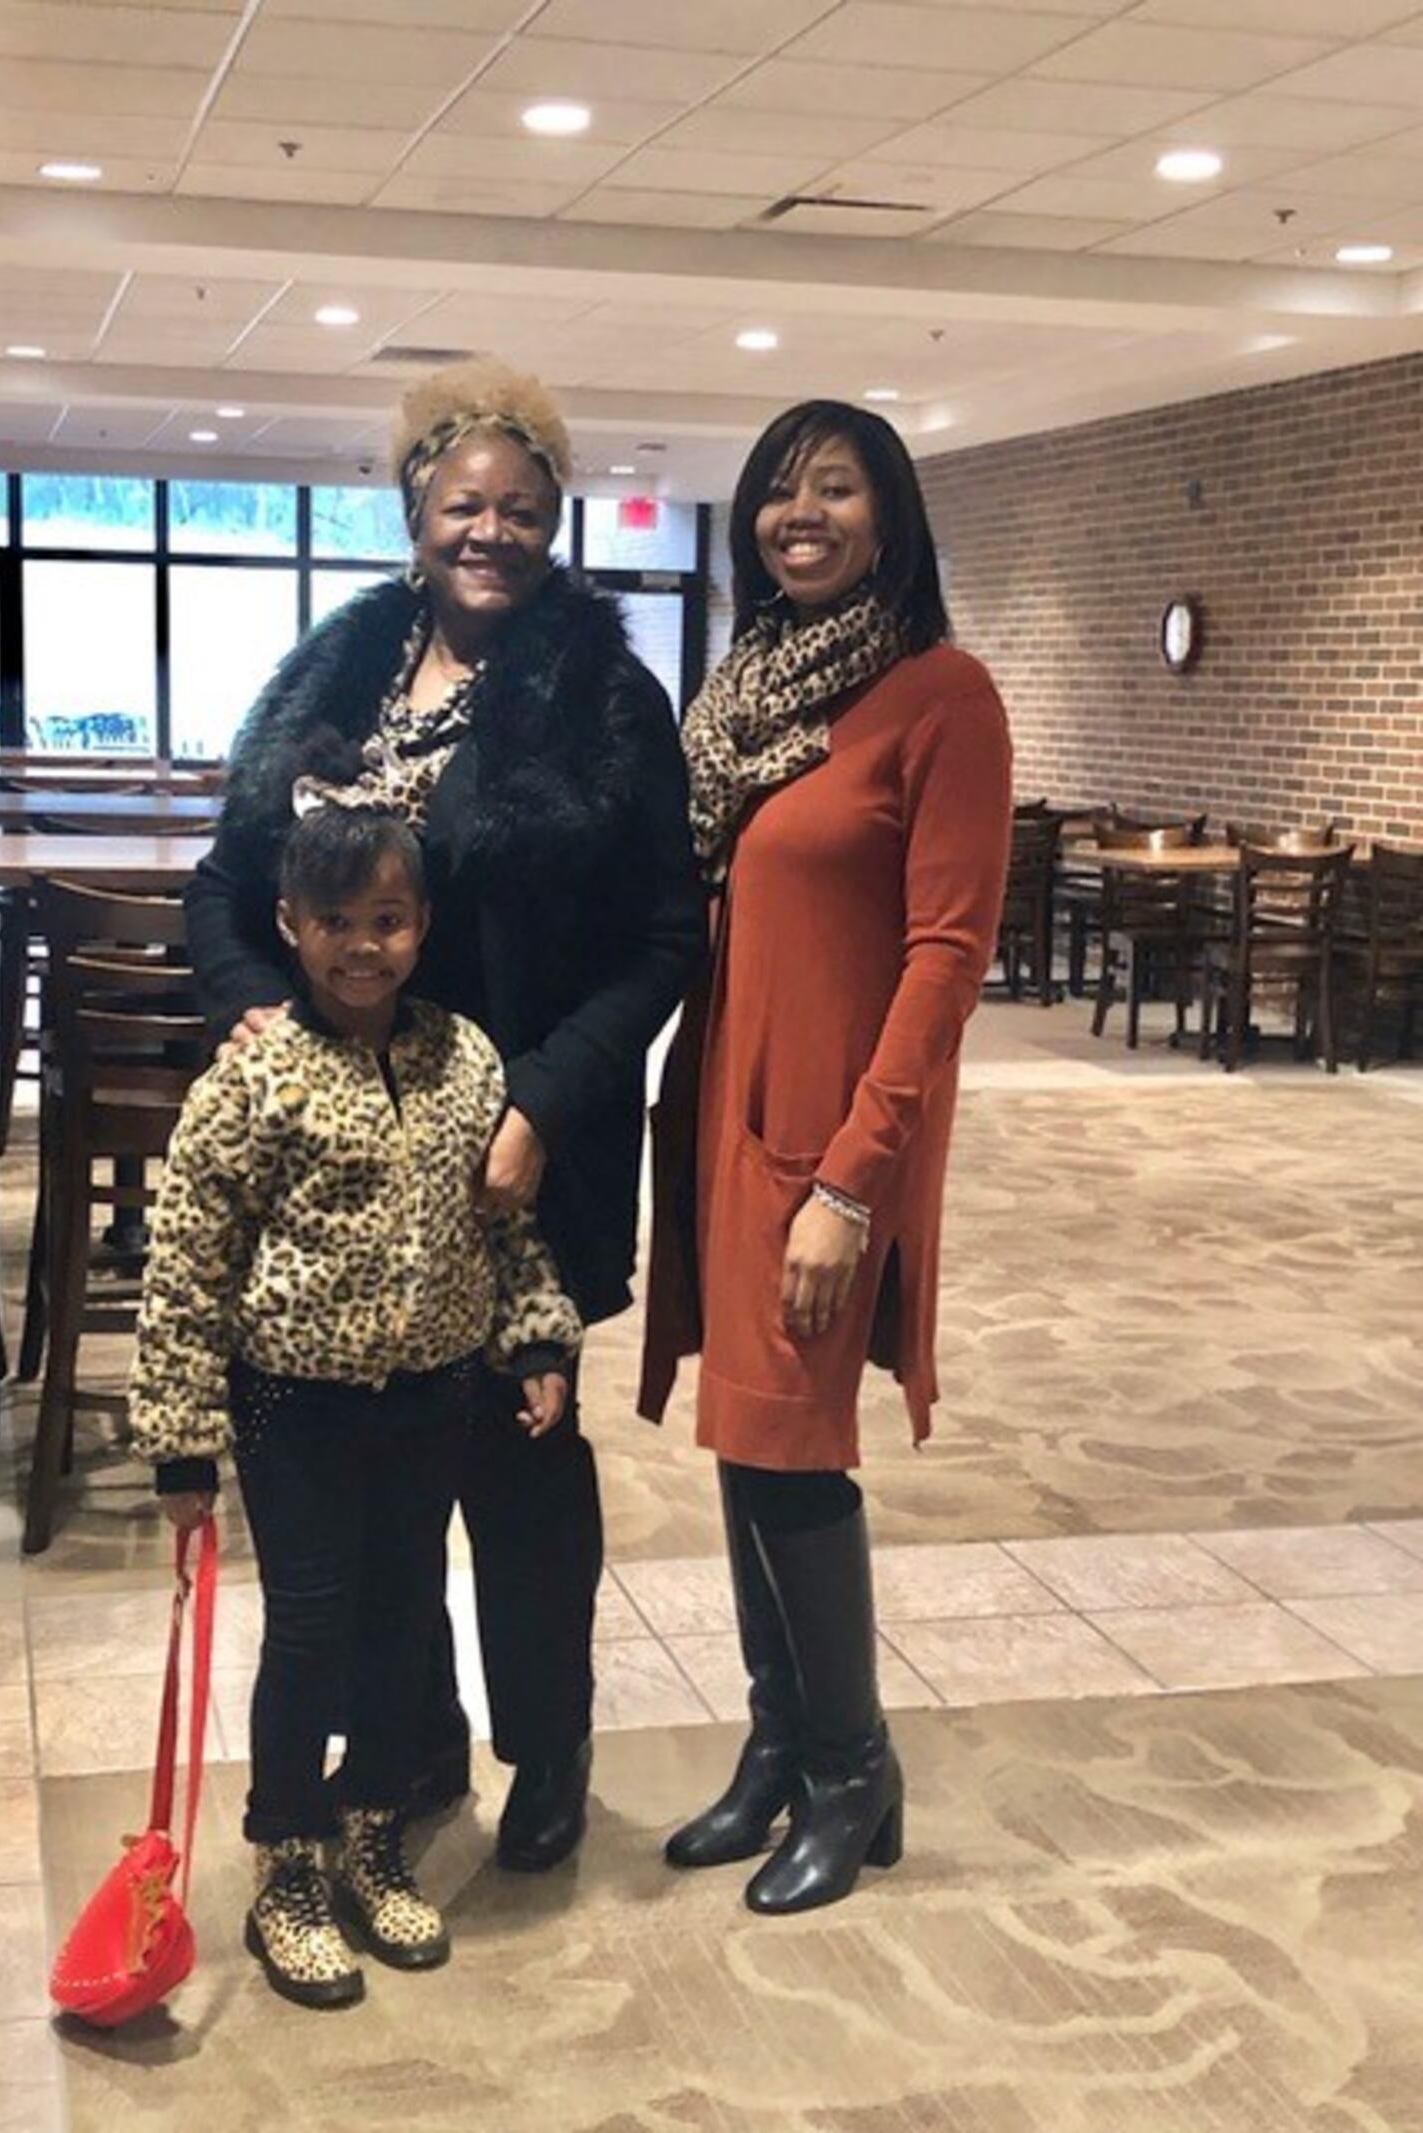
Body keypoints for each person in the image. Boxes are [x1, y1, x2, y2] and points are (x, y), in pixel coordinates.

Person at [183, 359, 703, 1871]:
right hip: (344, 1176)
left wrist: (543, 1099)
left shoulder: (604, 695)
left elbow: (667, 937)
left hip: (524, 1146)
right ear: (415, 512)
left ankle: (549, 1745)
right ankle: (411, 1745)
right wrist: (252, 1007)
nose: (493, 531)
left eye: (523, 510)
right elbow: (228, 889)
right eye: (466, 504)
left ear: (557, 522)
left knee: (522, 1465)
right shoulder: (334, 668)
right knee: (381, 1492)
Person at [640, 400, 1012, 1915]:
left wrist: (853, 1179)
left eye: (837, 488)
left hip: (827, 1137)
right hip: (725, 1107)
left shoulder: (942, 696)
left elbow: (947, 956)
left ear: (893, 515)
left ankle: (854, 1768)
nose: (804, 513)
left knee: (795, 1445)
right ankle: (781, 1742)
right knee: (744, 1437)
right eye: (780, 492)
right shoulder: (747, 698)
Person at [130, 802, 583, 2008]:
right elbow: (187, 1263)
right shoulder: (254, 1079)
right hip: (295, 1407)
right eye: (335, 923)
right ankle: (288, 1859)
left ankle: (374, 1834)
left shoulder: (465, 1061)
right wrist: (181, 1444)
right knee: (312, 1632)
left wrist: (533, 1339)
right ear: (289, 926)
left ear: (422, 927)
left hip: (429, 1394)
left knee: (402, 1621)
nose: (362, 947)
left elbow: (505, 1227)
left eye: (387, 921)